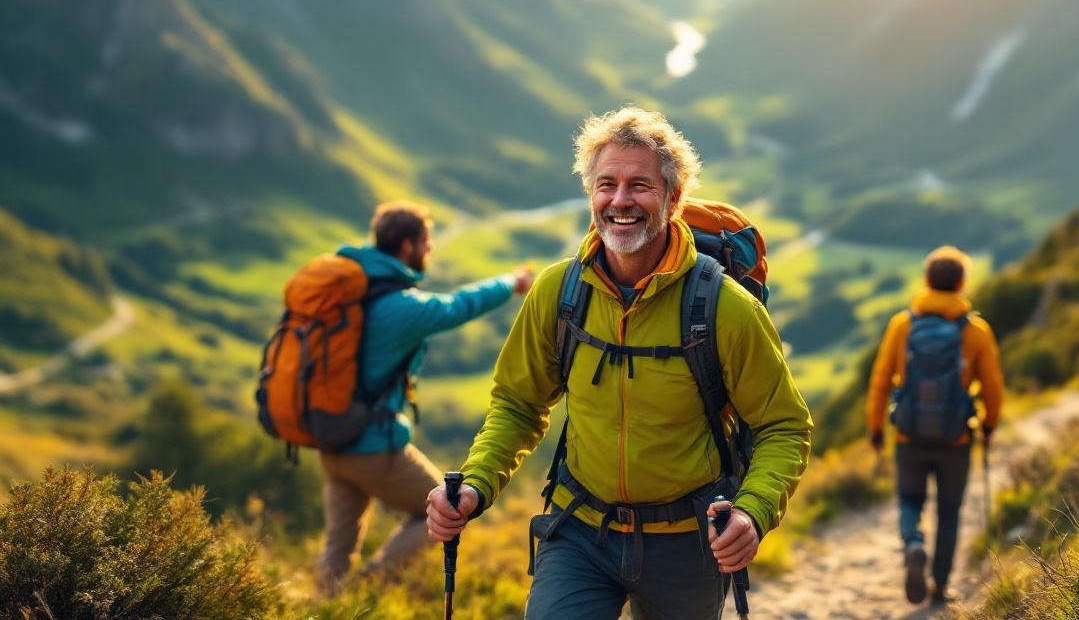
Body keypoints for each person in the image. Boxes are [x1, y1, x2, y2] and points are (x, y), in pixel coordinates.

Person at [426, 107, 812, 619]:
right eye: (606, 184)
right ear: (591, 194)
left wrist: (752, 512)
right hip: (580, 534)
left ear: (674, 198)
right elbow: (518, 404)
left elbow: (784, 426)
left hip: (690, 545)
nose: (620, 200)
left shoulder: (725, 308)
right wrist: (476, 483)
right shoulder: (558, 293)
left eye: (640, 185)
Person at [316, 201, 534, 590]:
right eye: (426, 242)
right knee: (446, 509)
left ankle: (326, 605)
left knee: (337, 545)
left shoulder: (353, 293)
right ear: (407, 246)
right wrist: (511, 282)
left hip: (333, 440)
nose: (429, 250)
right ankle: (364, 590)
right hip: (373, 446)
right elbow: (460, 305)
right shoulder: (400, 308)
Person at [865, 246, 1003, 606]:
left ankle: (913, 543)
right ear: (961, 283)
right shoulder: (976, 331)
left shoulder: (903, 325)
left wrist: (876, 427)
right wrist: (989, 425)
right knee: (949, 511)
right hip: (955, 439)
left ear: (927, 280)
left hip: (909, 434)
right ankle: (940, 586)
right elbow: (993, 387)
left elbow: (881, 380)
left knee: (910, 500)